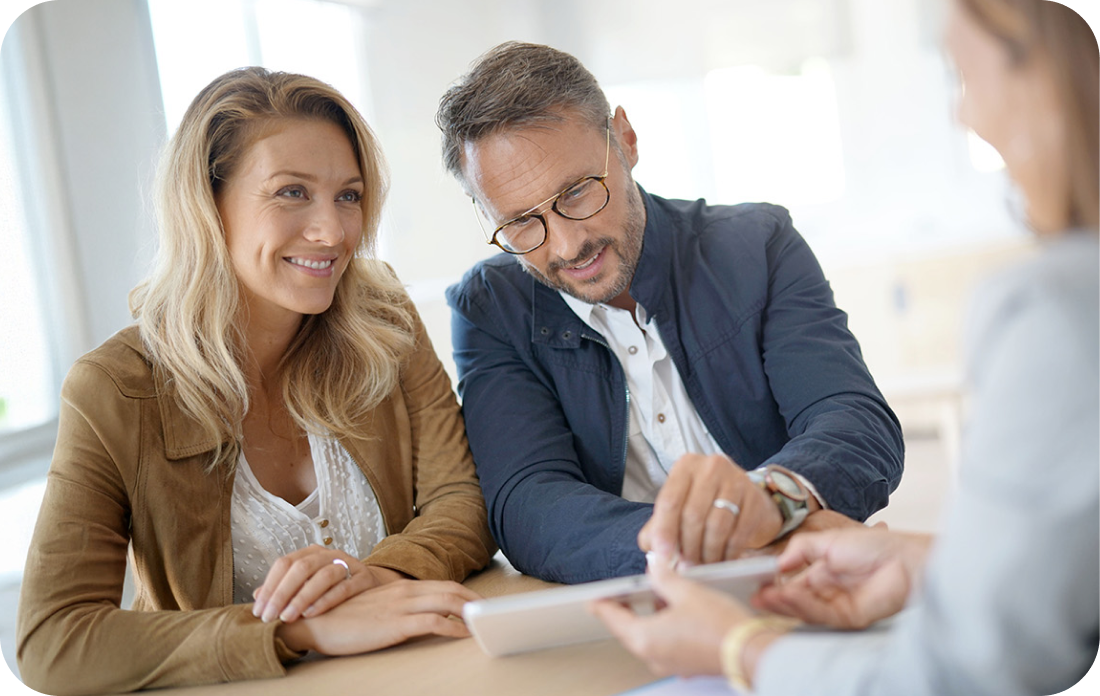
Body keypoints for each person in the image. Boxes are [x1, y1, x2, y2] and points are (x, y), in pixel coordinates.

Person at [592, 0, 1100, 693]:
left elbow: (959, 677)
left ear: (1052, 78)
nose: (967, 116)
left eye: (967, 75)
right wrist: (926, 565)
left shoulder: (1060, 316)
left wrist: (740, 649)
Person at [16, 67, 496, 695]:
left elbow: (462, 502)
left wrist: (377, 578)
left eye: (348, 196)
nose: (332, 232)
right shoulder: (113, 389)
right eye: (291, 192)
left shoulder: (384, 319)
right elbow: (53, 646)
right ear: (207, 205)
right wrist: (299, 630)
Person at [436, 42, 904, 583]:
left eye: (579, 191)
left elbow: (854, 422)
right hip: (638, 601)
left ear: (625, 139)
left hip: (803, 584)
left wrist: (768, 503)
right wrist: (710, 547)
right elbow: (529, 506)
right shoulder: (490, 308)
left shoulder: (758, 246)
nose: (566, 245)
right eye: (520, 222)